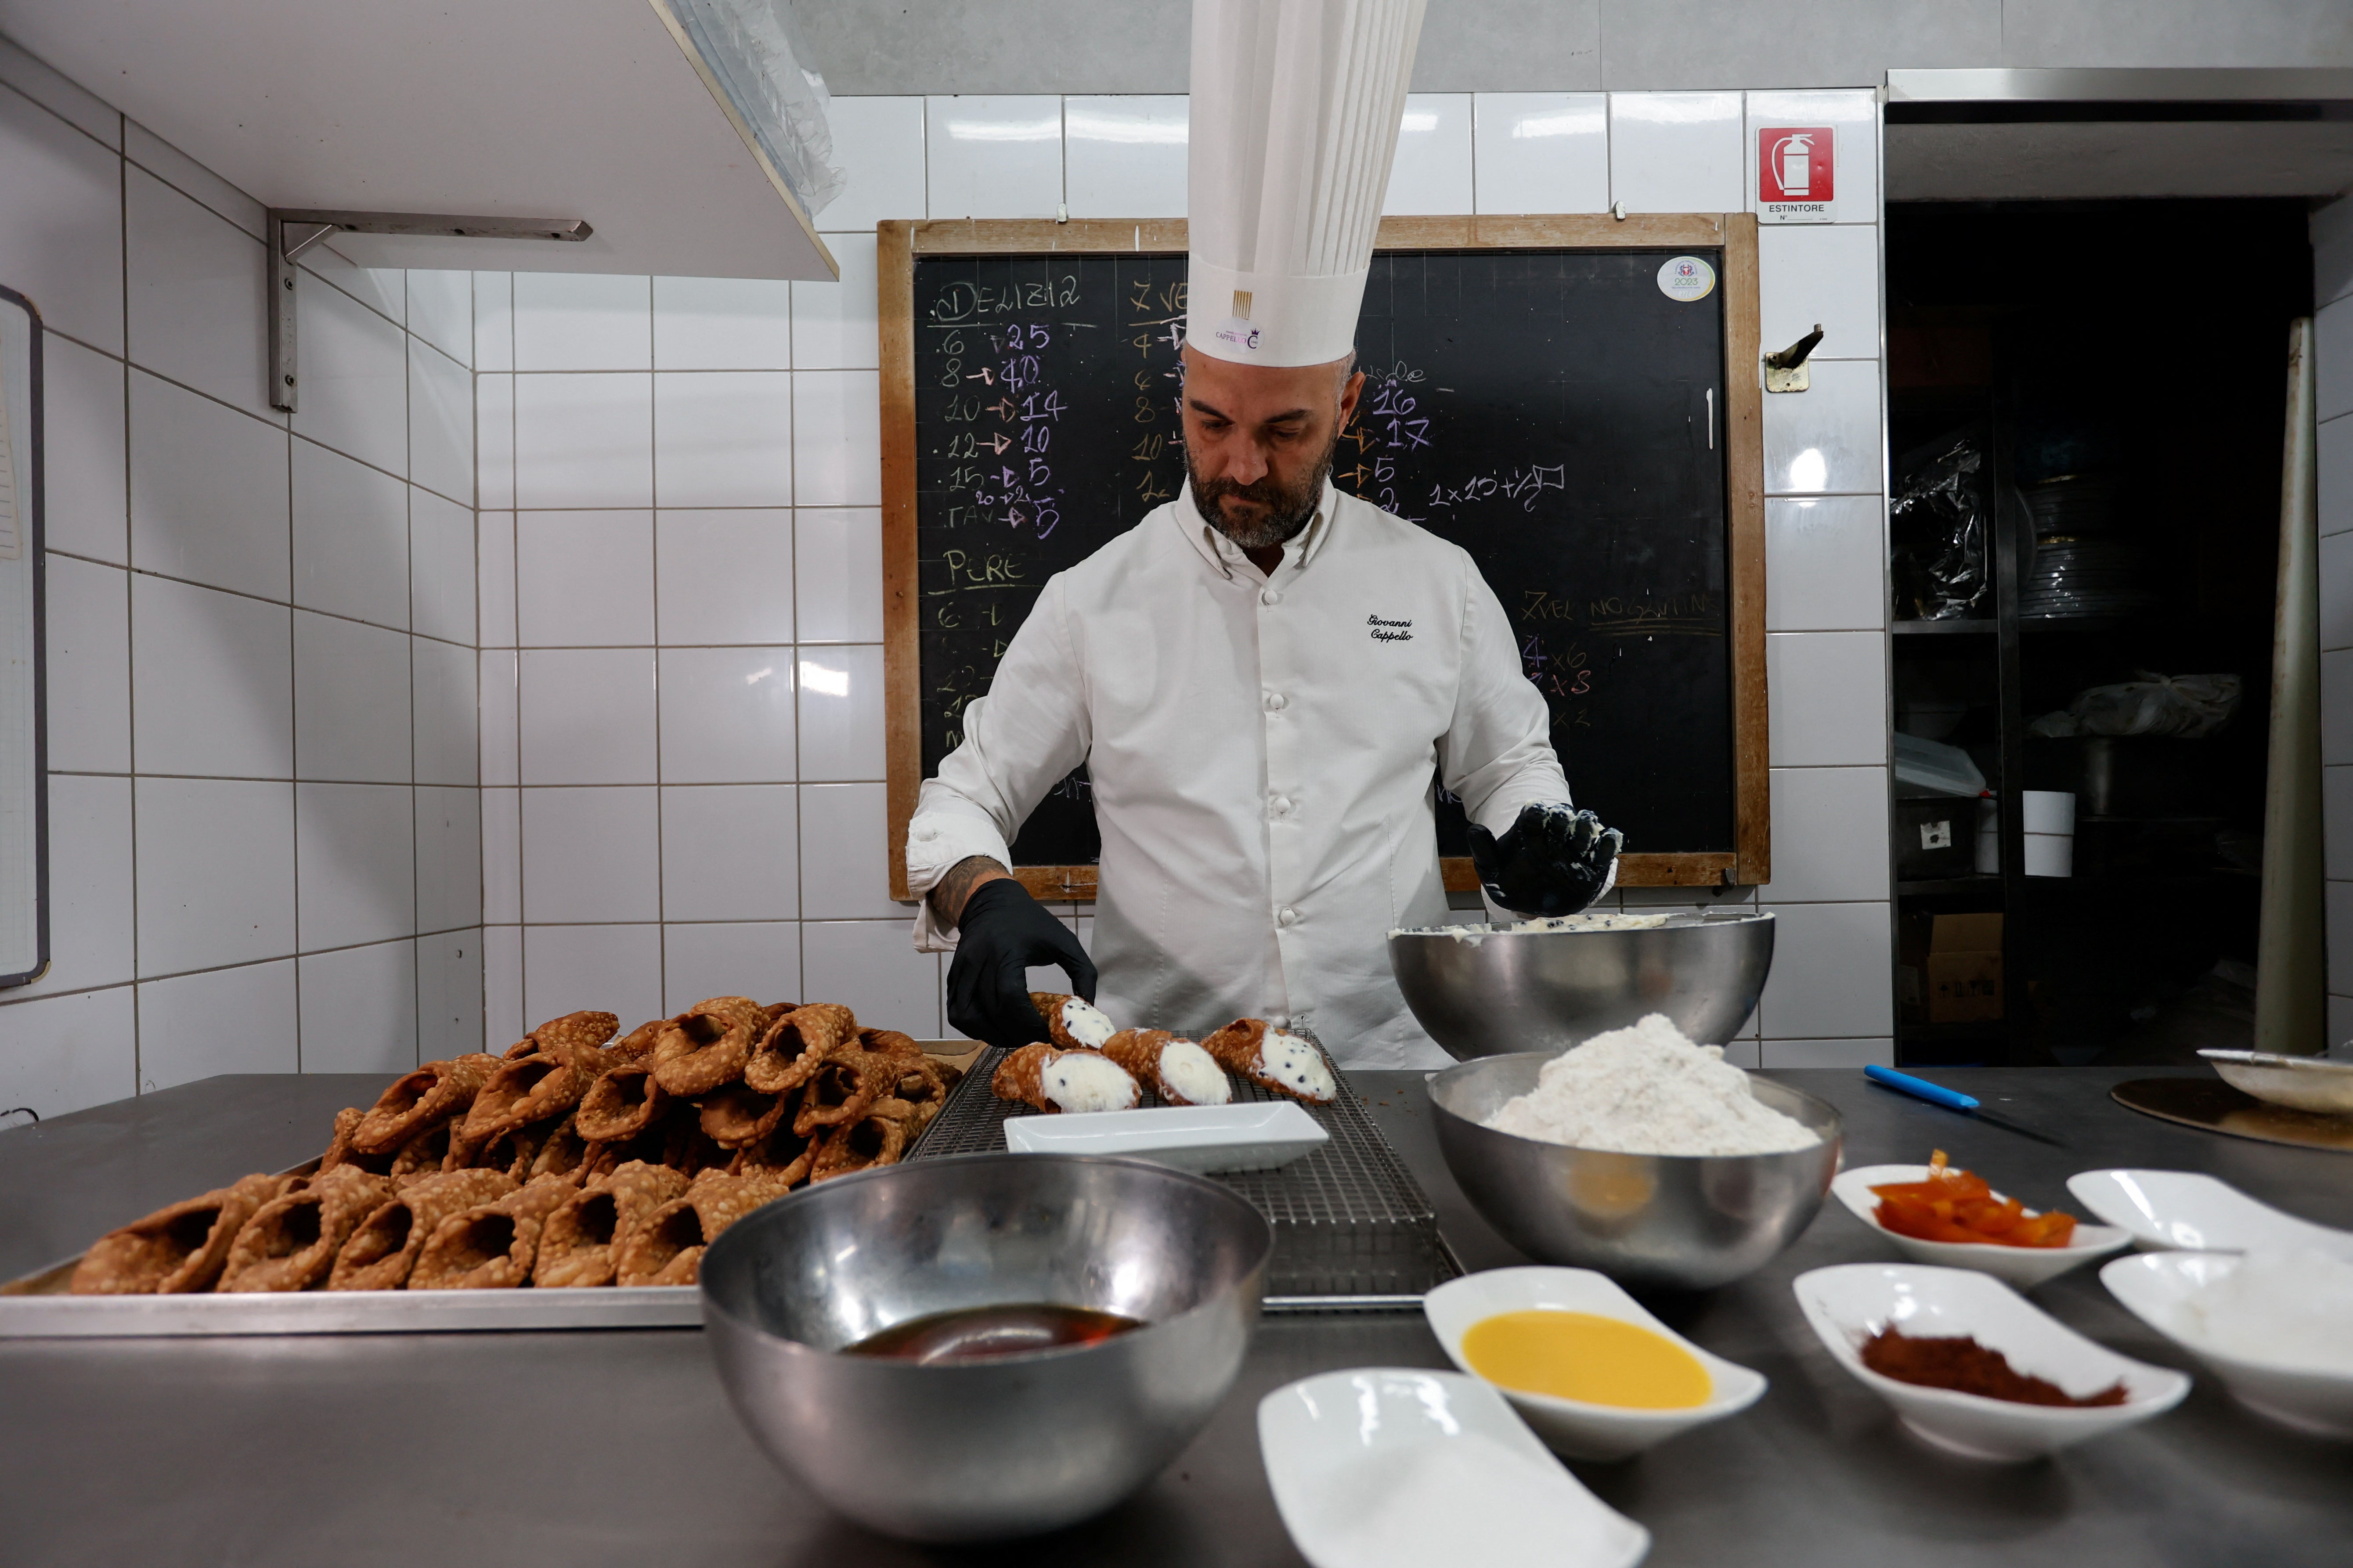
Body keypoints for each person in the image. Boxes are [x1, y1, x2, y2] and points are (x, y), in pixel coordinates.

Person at [903, 0, 1621, 1067]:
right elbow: (967, 795)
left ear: (1346, 407)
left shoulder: (1437, 582)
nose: (1241, 465)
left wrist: (1538, 840)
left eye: (1284, 429)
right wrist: (985, 893)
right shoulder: (1095, 602)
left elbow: (1509, 766)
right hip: (1167, 1071)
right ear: (1181, 396)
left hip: (1397, 1062)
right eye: (1212, 423)